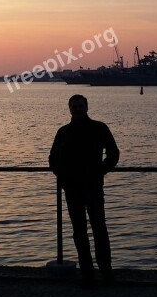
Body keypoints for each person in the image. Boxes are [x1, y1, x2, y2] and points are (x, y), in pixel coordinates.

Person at [49, 95, 120, 284]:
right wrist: (64, 179)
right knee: (79, 231)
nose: (78, 109)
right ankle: (88, 273)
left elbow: (113, 154)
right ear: (70, 109)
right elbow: (53, 159)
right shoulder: (63, 132)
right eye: (75, 107)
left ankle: (106, 272)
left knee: (99, 229)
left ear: (87, 107)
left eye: (81, 106)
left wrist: (100, 172)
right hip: (73, 189)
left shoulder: (99, 128)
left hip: (93, 187)